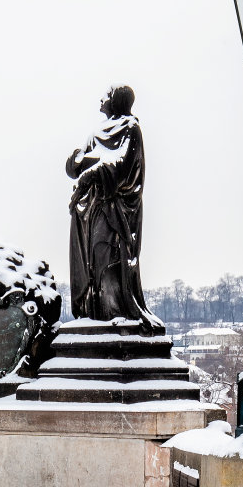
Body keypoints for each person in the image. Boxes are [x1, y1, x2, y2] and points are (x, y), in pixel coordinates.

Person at [66, 86, 162, 328]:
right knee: (88, 262)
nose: (101, 99)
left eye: (106, 96)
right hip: (89, 209)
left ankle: (114, 313)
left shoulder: (131, 129)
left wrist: (92, 173)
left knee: (106, 257)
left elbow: (125, 169)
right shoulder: (95, 133)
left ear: (117, 100)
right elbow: (76, 169)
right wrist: (76, 162)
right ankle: (93, 312)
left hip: (115, 211)